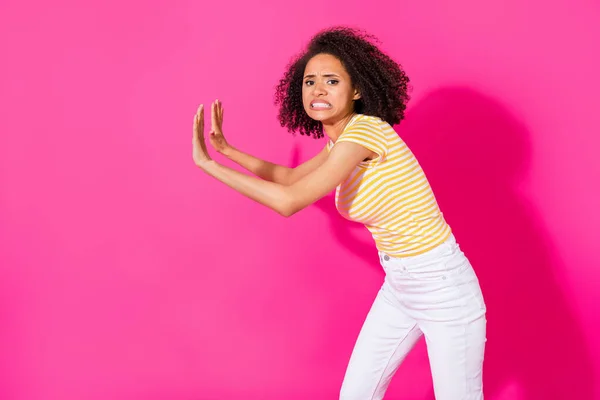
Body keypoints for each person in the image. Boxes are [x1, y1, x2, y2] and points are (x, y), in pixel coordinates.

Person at [191, 26, 487, 400]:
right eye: (310, 81)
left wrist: (208, 165)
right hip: (401, 286)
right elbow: (291, 178)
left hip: (443, 288)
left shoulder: (366, 133)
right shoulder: (340, 142)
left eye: (331, 81)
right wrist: (228, 151)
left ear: (357, 90)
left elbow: (289, 201)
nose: (318, 90)